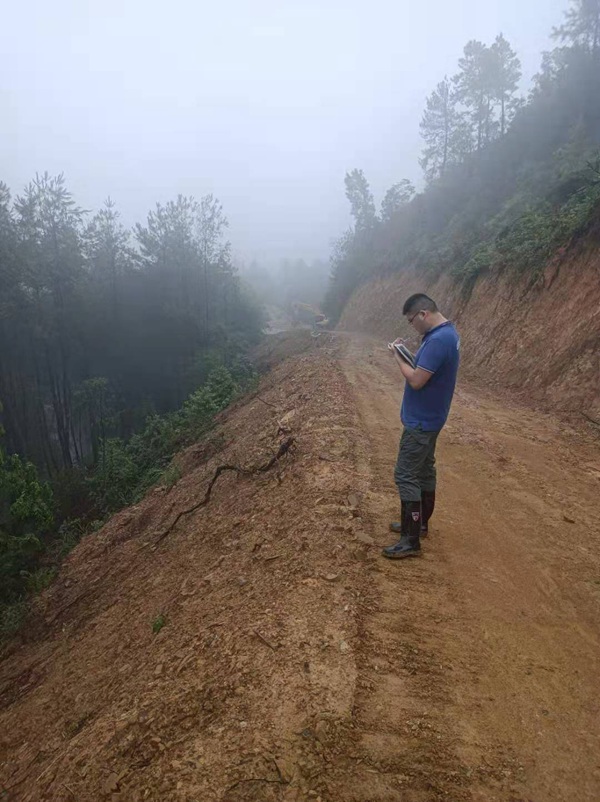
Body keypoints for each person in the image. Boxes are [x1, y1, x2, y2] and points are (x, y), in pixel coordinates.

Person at [382, 293, 460, 559]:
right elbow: (426, 367)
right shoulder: (445, 334)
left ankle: (410, 538)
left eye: (411, 320)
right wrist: (405, 352)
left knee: (405, 474)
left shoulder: (439, 340)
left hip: (421, 422)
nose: (411, 325)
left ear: (423, 314)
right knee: (425, 471)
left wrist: (397, 358)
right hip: (432, 417)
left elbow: (416, 380)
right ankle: (420, 524)